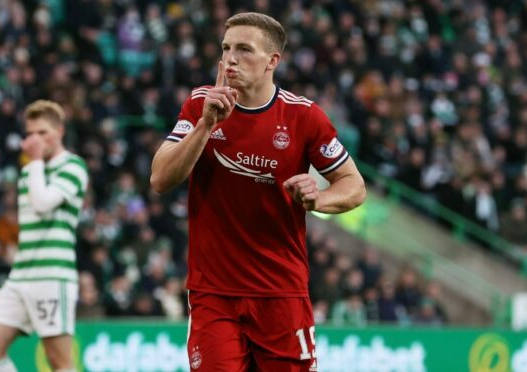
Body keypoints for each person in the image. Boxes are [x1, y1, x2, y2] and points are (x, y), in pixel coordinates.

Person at [151, 12, 366, 371]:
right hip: (214, 293)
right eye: (225, 48)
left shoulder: (303, 117)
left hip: (281, 292)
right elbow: (160, 178)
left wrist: (318, 200)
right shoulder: (200, 104)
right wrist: (206, 126)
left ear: (272, 61)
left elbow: (354, 185)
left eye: (244, 49)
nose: (230, 59)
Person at [0, 100, 89, 372]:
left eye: (42, 133)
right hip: (21, 275)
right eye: (30, 134)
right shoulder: (30, 171)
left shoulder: (74, 167)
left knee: (59, 361)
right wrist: (35, 164)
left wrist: (36, 161)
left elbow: (43, 203)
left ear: (59, 131)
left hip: (53, 276)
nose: (35, 140)